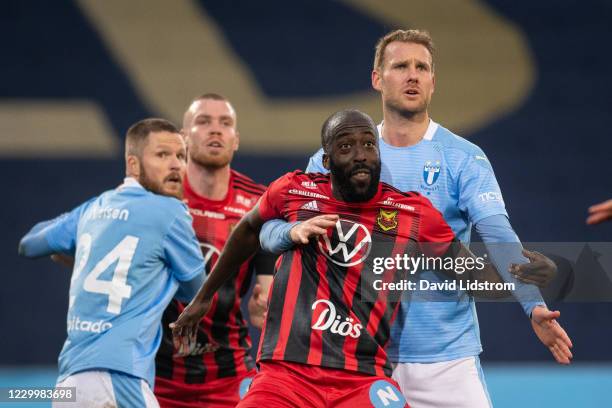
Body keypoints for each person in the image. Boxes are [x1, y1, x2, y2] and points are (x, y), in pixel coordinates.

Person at [259, 29, 572, 407]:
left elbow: (497, 234)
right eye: (400, 66)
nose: (412, 75)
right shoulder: (338, 156)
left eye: (422, 67)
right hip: (356, 361)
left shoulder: (462, 158)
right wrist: (290, 233)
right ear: (377, 78)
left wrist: (532, 304)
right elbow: (271, 226)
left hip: (446, 360)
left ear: (433, 82)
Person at [171, 109, 525, 408]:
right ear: (326, 161)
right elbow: (249, 230)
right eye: (346, 146)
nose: (360, 154)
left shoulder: (412, 212)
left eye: (369, 145)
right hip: (286, 375)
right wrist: (204, 297)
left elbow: (466, 272)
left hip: (362, 378)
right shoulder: (295, 190)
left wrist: (524, 273)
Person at [18, 118, 205, 407]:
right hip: (120, 378)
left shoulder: (93, 208)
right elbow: (197, 292)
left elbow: (30, 244)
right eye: (162, 154)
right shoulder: (170, 212)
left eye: (181, 156)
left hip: (69, 386)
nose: (175, 165)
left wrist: (80, 256)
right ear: (132, 164)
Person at [154, 93, 275, 407]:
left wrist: (266, 297)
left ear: (235, 140)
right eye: (203, 121)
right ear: (183, 137)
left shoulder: (258, 203)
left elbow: (268, 281)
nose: (215, 130)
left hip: (230, 374)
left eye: (225, 123)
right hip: (156, 376)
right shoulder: (154, 197)